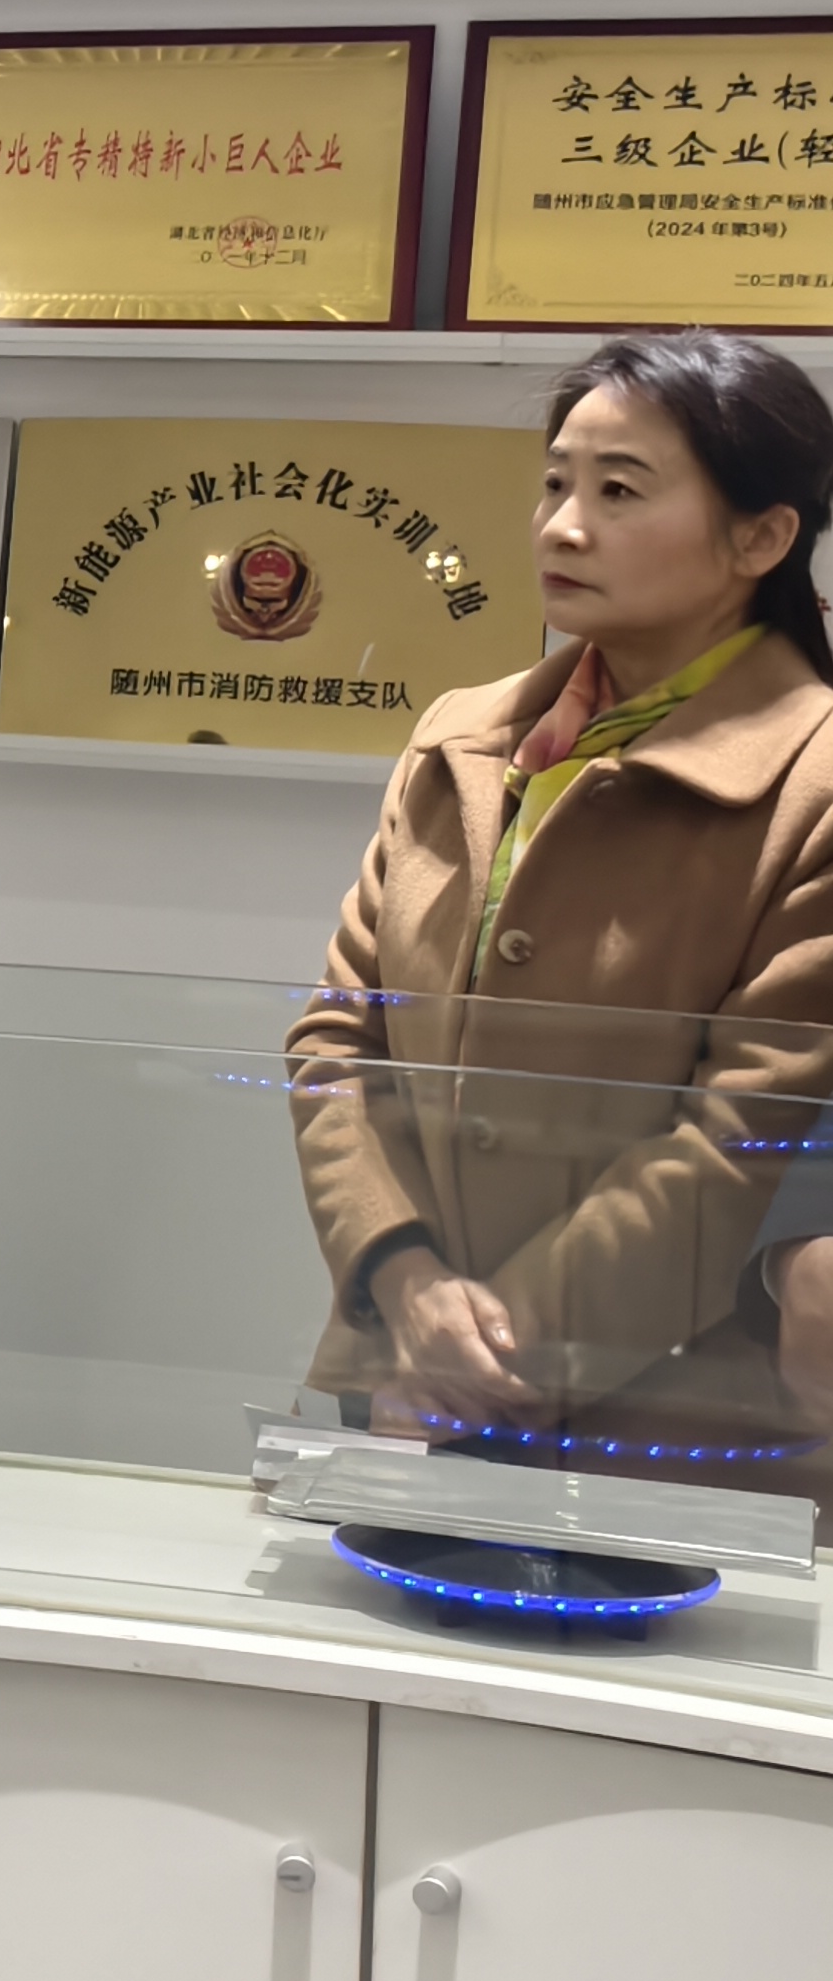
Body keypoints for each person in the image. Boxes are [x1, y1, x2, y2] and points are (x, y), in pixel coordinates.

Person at [288, 329, 833, 1498]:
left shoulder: (814, 784)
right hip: (404, 1383)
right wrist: (406, 1284)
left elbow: (746, 1134)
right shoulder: (460, 738)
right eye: (553, 484)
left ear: (762, 537)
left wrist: (489, 1351)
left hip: (670, 1431)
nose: (561, 527)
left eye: (618, 491)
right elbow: (335, 1042)